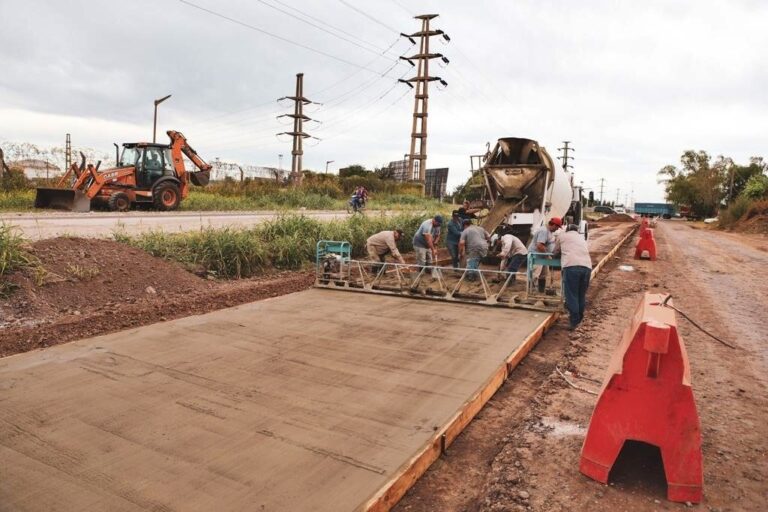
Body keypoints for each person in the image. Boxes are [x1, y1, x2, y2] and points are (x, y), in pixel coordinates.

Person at [554, 224, 592, 329]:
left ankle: (574, 322)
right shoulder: (582, 238)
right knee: (581, 295)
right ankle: (579, 320)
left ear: (567, 230)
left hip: (571, 267)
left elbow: (555, 251)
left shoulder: (562, 236)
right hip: (587, 267)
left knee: (572, 295)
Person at [527, 216, 563, 293]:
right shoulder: (543, 231)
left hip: (542, 255)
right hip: (536, 255)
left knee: (543, 274)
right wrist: (548, 254)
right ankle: (531, 292)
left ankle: (541, 292)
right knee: (535, 274)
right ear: (554, 225)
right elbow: (539, 245)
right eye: (557, 227)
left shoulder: (549, 232)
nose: (557, 229)